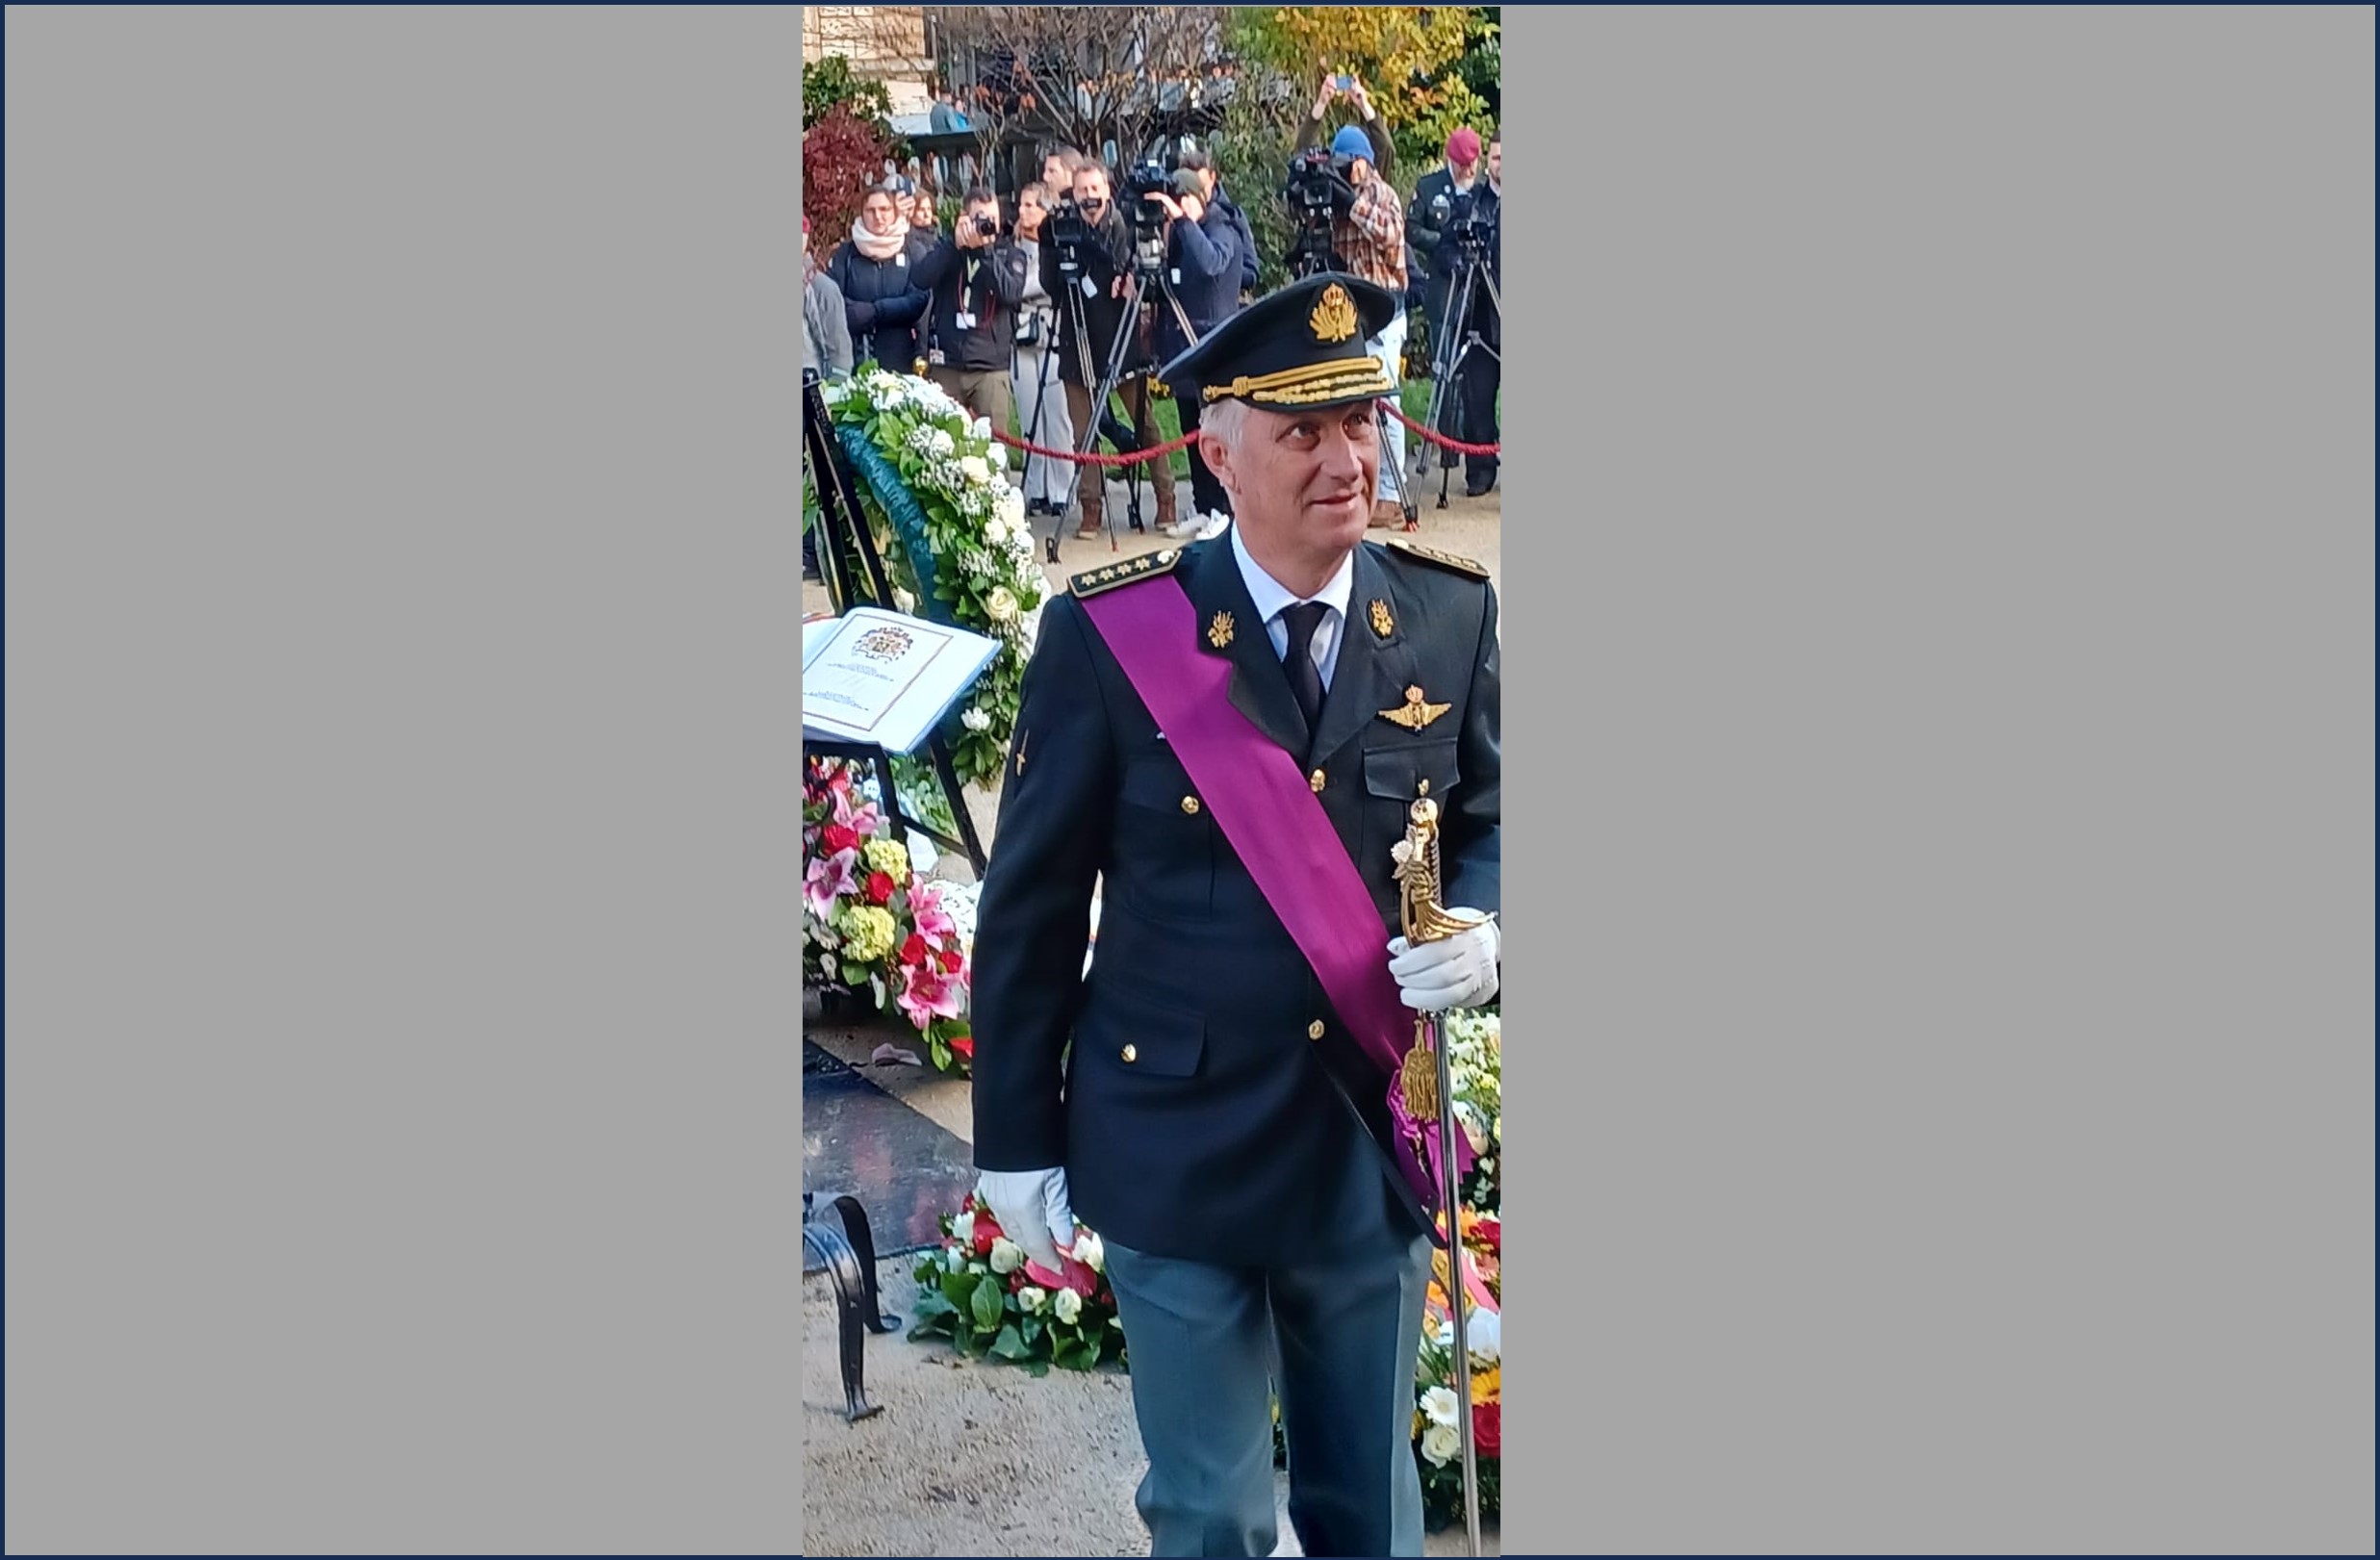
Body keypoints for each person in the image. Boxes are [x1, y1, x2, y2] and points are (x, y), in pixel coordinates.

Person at [970, 271, 1501, 1560]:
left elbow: (1495, 814)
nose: (1346, 460)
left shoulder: (1444, 614)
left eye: (1362, 422)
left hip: (1355, 1140)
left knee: (1363, 1508)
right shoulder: (1112, 636)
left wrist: (1489, 930)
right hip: (1175, 1134)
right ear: (1217, 454)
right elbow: (1031, 905)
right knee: (1206, 1509)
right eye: (1302, 433)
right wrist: (1014, 1140)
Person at [1038, 159, 1177, 543]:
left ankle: (1165, 496)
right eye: (1082, 190)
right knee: (1083, 432)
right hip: (1076, 339)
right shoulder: (1064, 227)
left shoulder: (1126, 226)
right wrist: (1051, 243)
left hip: (1121, 339)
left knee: (1145, 423)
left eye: (1094, 190)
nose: (1088, 198)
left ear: (1107, 190)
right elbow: (1051, 284)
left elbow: (1128, 268)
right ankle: (1091, 507)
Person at [1297, 72, 1410, 528]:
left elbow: (1388, 235)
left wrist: (1355, 202)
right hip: (1349, 317)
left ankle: (1391, 493)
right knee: (1353, 404)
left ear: (1363, 162)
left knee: (1387, 403)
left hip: (1384, 311)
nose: (1343, 170)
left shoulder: (1379, 192)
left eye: (1349, 163)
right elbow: (1301, 163)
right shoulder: (1336, 199)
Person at [1143, 169, 1246, 535]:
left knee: (1215, 433)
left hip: (1213, 351)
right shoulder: (1182, 232)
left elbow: (1212, 264)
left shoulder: (1223, 227)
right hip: (1184, 348)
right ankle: (1203, 507)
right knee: (1192, 430)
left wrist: (1184, 223)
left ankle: (1223, 511)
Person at [1408, 127, 1500, 497]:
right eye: (1496, 158)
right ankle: (1479, 470)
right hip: (1476, 310)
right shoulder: (1472, 202)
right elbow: (1444, 241)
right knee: (1476, 395)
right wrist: (1453, 256)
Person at [920, 186, 1028, 434]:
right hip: (947, 364)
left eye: (993, 219)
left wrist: (985, 253)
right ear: (964, 217)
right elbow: (921, 278)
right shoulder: (948, 249)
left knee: (993, 452)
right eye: (980, 219)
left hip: (990, 368)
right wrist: (954, 244)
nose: (987, 225)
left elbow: (1011, 293)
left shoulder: (1009, 253)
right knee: (943, 447)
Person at [1010, 180, 1079, 523]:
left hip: (1052, 334)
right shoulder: (1013, 248)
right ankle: (1035, 487)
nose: (1023, 212)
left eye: (1031, 205)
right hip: (1022, 336)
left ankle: (1062, 489)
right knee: (1028, 417)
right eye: (1021, 205)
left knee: (1056, 416)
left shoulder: (1054, 247)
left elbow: (1051, 286)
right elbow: (1009, 287)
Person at [827, 183, 936, 372]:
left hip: (901, 360)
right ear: (862, 214)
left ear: (895, 211)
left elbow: (918, 300)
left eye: (884, 209)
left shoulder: (913, 250)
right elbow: (834, 299)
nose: (878, 216)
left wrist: (875, 311)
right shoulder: (846, 254)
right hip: (856, 358)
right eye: (871, 210)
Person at [1176, 145, 1261, 300]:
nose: (1196, 191)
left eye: (1200, 184)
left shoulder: (1230, 217)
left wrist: (1226, 276)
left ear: (1212, 177)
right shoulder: (1177, 213)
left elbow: (1251, 273)